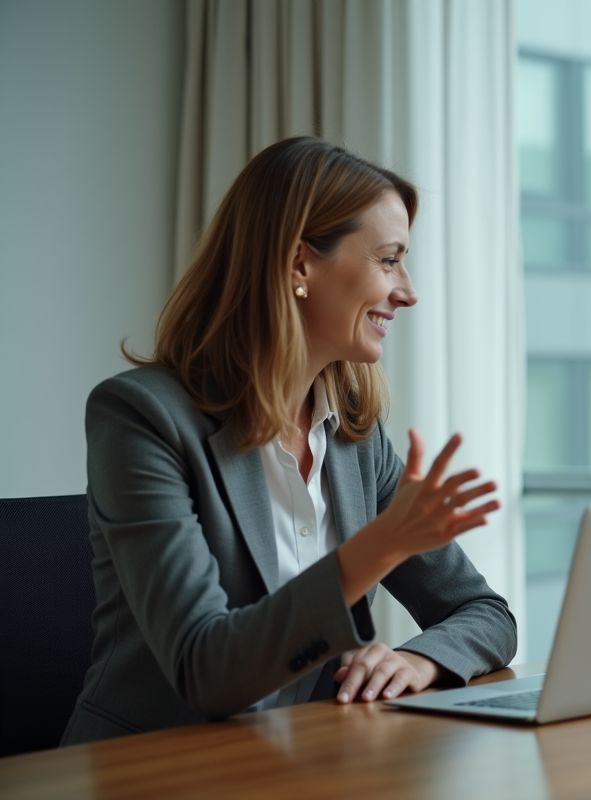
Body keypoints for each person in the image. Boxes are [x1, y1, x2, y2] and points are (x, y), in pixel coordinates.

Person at [62, 137, 516, 745]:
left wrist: (421, 659)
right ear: (300, 264)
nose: (407, 291)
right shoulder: (142, 419)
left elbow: (485, 615)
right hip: (151, 770)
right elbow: (206, 671)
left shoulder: (354, 436)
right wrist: (381, 546)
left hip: (297, 765)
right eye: (388, 260)